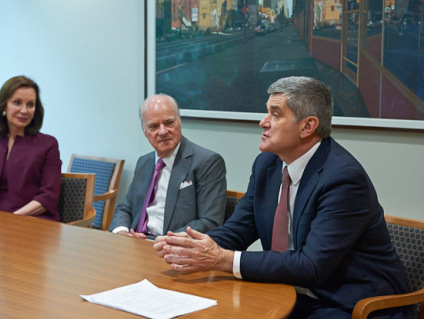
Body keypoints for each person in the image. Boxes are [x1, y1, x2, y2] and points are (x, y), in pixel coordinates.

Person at [154, 77, 411, 318]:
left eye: (275, 114)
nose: (263, 122)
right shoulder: (267, 164)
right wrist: (190, 246)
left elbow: (312, 265)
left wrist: (223, 259)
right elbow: (240, 228)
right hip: (287, 290)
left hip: (347, 302)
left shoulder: (343, 179)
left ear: (308, 126)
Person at [109, 93, 227, 239]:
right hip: (136, 243)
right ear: (144, 131)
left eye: (169, 123)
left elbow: (210, 222)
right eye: (153, 126)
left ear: (179, 121)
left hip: (174, 248)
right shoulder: (144, 162)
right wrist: (122, 232)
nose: (163, 131)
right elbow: (125, 208)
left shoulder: (207, 162)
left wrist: (166, 241)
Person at [0, 75, 62, 221]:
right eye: (17, 103)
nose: (24, 110)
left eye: (30, 104)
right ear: (3, 105)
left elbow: (47, 197)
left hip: (35, 223)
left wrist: (11, 220)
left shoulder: (48, 144)